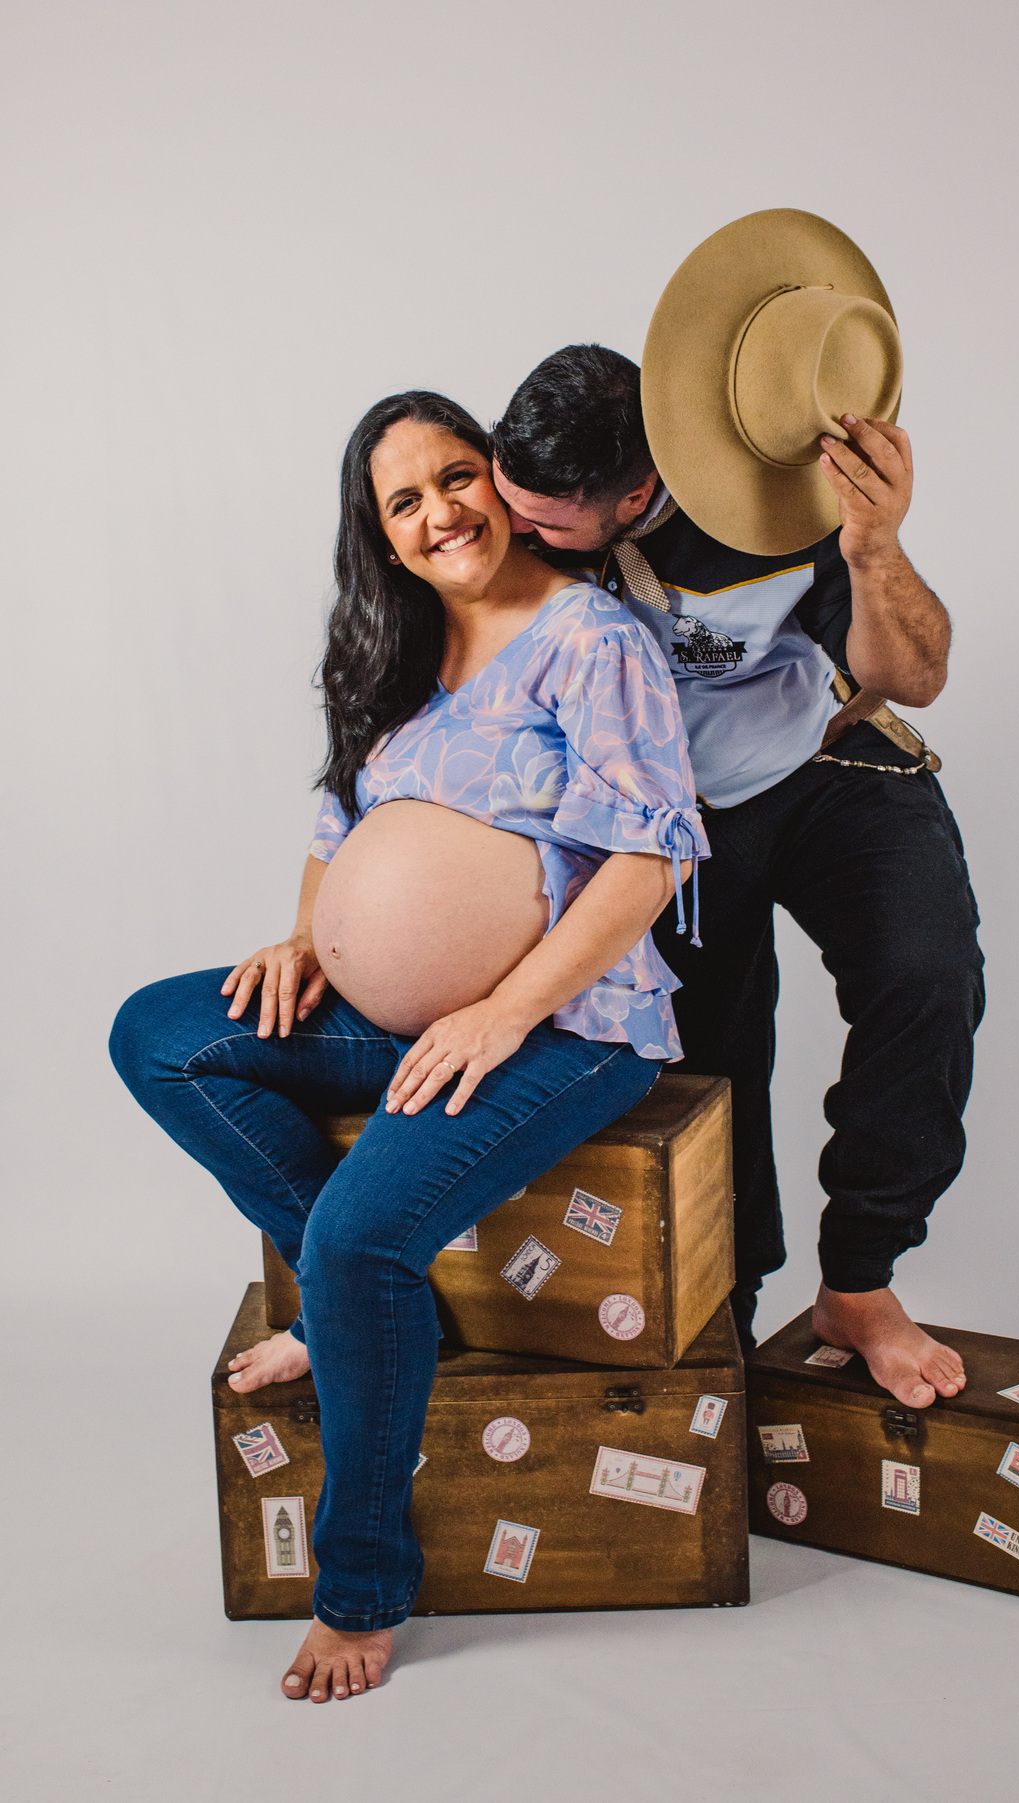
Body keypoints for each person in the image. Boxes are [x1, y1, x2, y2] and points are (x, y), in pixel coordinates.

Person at [109, 390, 706, 1702]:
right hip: (405, 1022)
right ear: (380, 535)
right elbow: (343, 836)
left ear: (499, 479)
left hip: (564, 1025)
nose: (440, 512)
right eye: (405, 501)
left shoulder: (591, 639)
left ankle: (363, 1584)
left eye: (456, 476)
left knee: (356, 1238)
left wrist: (503, 1009)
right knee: (158, 1034)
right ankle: (361, 1313)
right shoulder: (398, 654)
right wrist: (307, 941)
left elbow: (648, 855)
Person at [490, 219, 984, 1413]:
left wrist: (874, 548)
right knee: (708, 1065)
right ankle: (728, 1311)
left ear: (635, 492)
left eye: (546, 522)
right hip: (672, 816)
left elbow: (917, 675)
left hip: (820, 760)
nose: (520, 537)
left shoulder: (775, 497)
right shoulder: (524, 526)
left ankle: (859, 1283)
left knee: (928, 974)